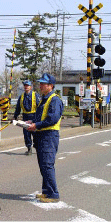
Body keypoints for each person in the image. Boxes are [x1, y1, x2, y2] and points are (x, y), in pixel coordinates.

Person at [27, 73, 63, 203]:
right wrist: (32, 121)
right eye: (40, 83)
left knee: (47, 165)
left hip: (49, 136)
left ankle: (53, 194)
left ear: (51, 86)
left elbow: (52, 119)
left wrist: (36, 125)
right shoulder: (44, 99)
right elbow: (42, 117)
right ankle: (46, 192)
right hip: (42, 136)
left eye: (43, 84)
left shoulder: (54, 100)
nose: (40, 85)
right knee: (43, 165)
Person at [13, 80, 40, 155]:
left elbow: (40, 107)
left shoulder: (35, 95)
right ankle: (29, 148)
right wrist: (15, 117)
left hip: (34, 116)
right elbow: (18, 108)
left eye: (27, 86)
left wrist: (39, 117)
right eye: (25, 86)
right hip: (25, 116)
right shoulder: (21, 96)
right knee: (26, 134)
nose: (26, 87)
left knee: (35, 133)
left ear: (31, 87)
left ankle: (37, 147)